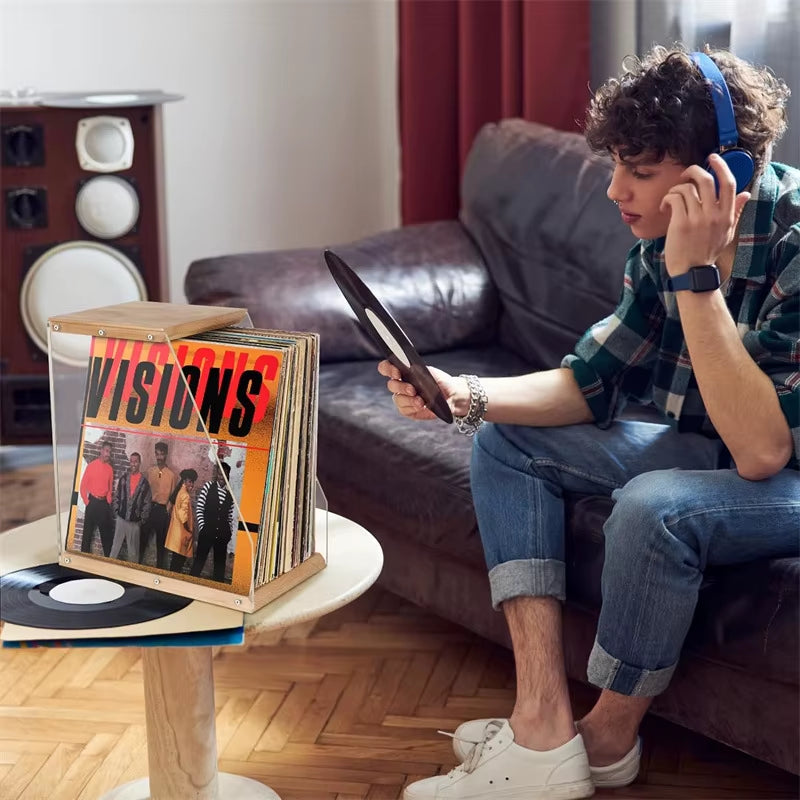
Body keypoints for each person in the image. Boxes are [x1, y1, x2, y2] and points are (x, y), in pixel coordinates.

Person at [381, 44, 800, 800]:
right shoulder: (656, 244)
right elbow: (589, 382)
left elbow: (763, 452)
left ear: (723, 174)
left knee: (654, 508)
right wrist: (463, 394)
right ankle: (542, 724)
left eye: (639, 171)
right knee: (506, 439)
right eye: (615, 166)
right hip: (709, 446)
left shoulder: (793, 246)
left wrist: (697, 278)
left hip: (788, 474)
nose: (615, 190)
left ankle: (605, 740)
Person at [191, 461, 235, 582]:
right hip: (207, 532)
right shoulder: (208, 487)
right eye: (220, 474)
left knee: (219, 568)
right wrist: (203, 527)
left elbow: (229, 517)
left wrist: (228, 533)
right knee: (198, 562)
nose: (222, 478)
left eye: (225, 475)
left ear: (228, 476)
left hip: (222, 536)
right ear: (217, 475)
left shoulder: (229, 496)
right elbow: (199, 508)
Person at [109, 452, 152, 561]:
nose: (133, 464)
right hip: (121, 519)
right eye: (131, 461)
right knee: (114, 549)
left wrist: (141, 520)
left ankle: (131, 570)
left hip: (134, 522)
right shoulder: (123, 479)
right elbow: (117, 495)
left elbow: (147, 503)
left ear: (140, 463)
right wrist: (117, 511)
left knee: (133, 553)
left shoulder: (144, 483)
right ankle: (109, 567)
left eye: (136, 461)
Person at [140, 441, 177, 569]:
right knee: (143, 538)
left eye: (161, 454)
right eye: (157, 454)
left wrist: (167, 512)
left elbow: (172, 497)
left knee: (161, 542)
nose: (159, 457)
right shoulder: (150, 471)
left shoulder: (171, 475)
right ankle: (137, 563)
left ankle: (159, 568)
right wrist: (144, 509)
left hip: (162, 511)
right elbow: (144, 491)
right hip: (149, 508)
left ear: (166, 454)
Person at [78, 440, 114, 556]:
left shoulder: (110, 469)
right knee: (87, 535)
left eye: (110, 452)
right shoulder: (92, 466)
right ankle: (83, 558)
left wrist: (108, 502)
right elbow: (83, 486)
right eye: (107, 451)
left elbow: (110, 488)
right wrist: (87, 501)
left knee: (106, 536)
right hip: (92, 503)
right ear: (101, 450)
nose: (108, 454)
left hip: (103, 505)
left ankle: (108, 560)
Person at [164, 468, 198, 574]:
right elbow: (183, 516)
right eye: (190, 481)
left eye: (193, 482)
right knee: (178, 563)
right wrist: (189, 530)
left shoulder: (180, 492)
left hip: (177, 534)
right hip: (182, 534)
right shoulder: (185, 495)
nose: (192, 484)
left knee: (175, 561)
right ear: (184, 481)